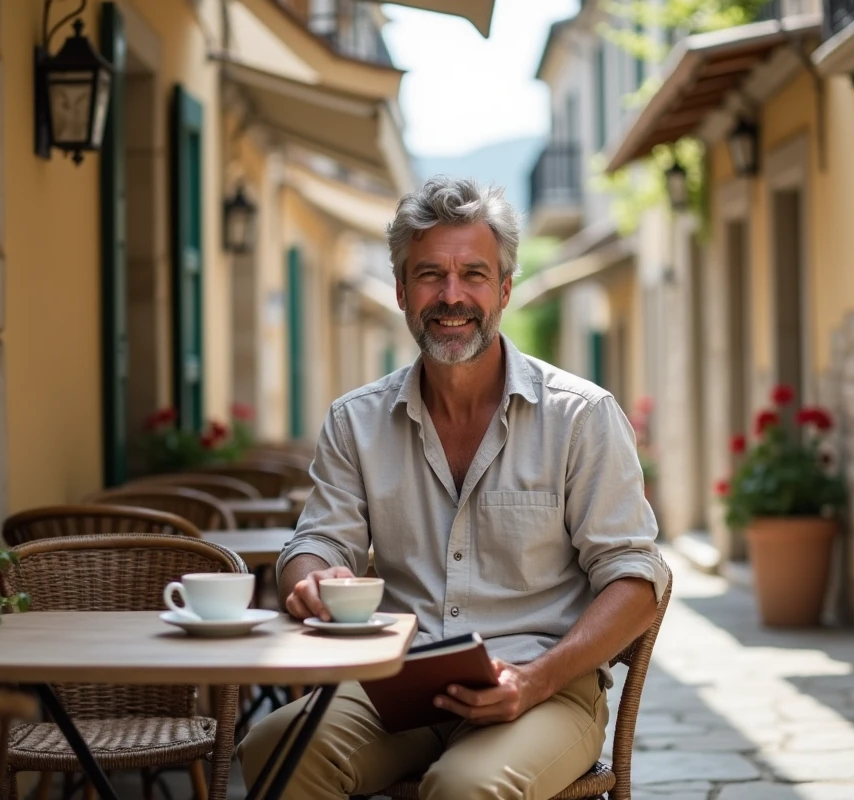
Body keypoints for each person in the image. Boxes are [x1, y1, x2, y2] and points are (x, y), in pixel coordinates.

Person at [238, 176, 668, 799]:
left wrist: (539, 679)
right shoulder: (355, 421)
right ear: (401, 290)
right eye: (430, 275)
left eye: (472, 273)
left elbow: (636, 582)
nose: (451, 295)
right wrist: (309, 578)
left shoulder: (580, 416)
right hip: (393, 682)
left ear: (504, 288)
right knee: (272, 750)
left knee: (464, 787)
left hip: (542, 688)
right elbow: (318, 542)